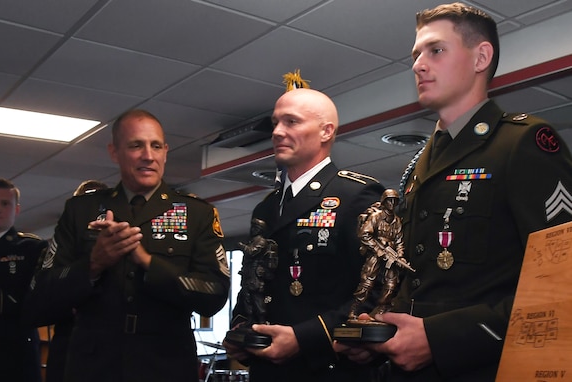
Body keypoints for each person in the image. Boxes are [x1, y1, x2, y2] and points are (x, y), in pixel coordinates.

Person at [333, 3, 572, 381]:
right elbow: (420, 275)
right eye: (416, 55)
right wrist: (381, 331)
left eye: (436, 50)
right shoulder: (420, 162)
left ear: (481, 57)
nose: (418, 64)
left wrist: (441, 339)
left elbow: (563, 286)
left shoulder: (522, 142)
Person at [24, 109, 230, 382]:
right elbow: (39, 299)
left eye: (156, 146)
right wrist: (94, 264)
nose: (148, 155)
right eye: (136, 145)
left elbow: (214, 295)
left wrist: (148, 262)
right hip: (93, 367)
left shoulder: (196, 213)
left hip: (165, 366)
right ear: (114, 152)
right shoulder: (80, 210)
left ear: (165, 152)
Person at [223, 88, 386, 382]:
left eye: (291, 122)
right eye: (275, 123)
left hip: (328, 370)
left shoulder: (356, 195)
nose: (277, 132)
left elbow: (377, 290)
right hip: (267, 372)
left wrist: (305, 337)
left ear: (326, 132)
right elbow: (253, 281)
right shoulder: (267, 207)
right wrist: (241, 329)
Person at [43, 180, 109, 382]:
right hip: (68, 340)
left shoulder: (120, 245)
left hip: (108, 345)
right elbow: (42, 300)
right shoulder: (63, 251)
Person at [0, 178, 48, 382]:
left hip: (15, 349)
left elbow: (42, 300)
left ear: (16, 209)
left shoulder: (32, 249)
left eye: (5, 203)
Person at [348, 189, 410, 319]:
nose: (392, 203)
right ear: (384, 201)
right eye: (389, 200)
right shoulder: (376, 217)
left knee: (391, 284)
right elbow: (364, 234)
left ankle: (382, 310)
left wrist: (400, 255)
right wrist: (379, 250)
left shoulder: (397, 221)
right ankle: (354, 310)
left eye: (394, 201)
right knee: (367, 283)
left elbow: (399, 241)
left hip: (391, 256)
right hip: (376, 253)